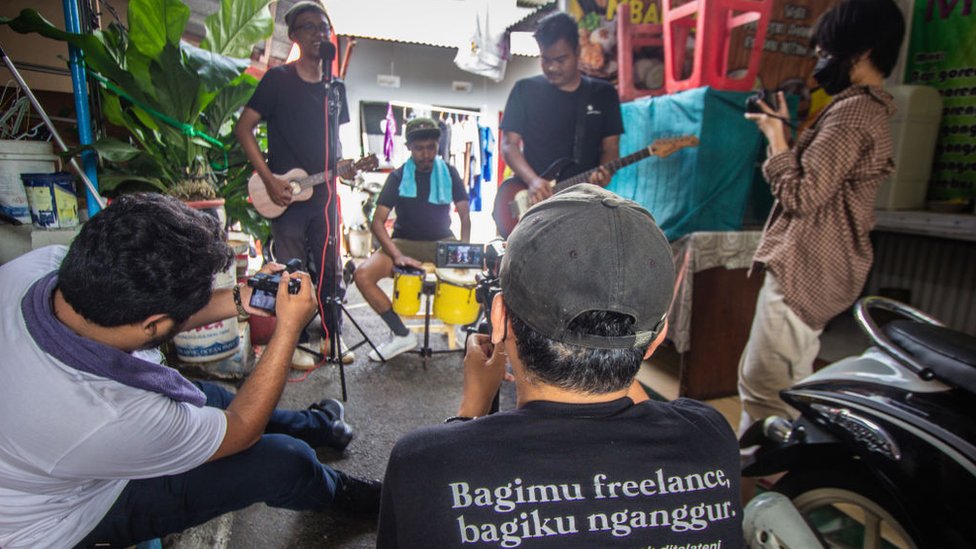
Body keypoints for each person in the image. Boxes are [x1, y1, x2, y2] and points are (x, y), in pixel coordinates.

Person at [0, 194, 380, 549]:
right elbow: (242, 430)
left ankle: (318, 426)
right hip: (69, 510)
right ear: (154, 324)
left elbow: (146, 312)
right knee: (283, 461)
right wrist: (288, 330)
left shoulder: (42, 266)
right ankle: (344, 493)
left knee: (212, 398)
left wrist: (240, 299)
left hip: (45, 445)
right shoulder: (107, 417)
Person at [377, 185, 743, 548]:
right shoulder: (711, 437)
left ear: (500, 319)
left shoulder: (422, 462)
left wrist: (469, 414)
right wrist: (616, 356)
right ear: (658, 339)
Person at [737, 0, 906, 435]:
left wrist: (776, 139)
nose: (819, 60)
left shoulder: (853, 112)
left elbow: (802, 194)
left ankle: (768, 493)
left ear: (863, 50)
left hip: (805, 269)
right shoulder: (861, 110)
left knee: (767, 393)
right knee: (771, 384)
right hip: (813, 268)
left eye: (827, 50)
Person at [234, 0, 353, 369]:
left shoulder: (336, 89)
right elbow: (244, 129)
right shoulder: (277, 81)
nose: (319, 32)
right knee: (291, 269)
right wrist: (269, 180)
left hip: (325, 194)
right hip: (284, 195)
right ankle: (295, 341)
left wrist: (343, 166)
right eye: (310, 26)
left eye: (323, 26)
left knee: (331, 266)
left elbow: (336, 142)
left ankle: (333, 335)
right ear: (294, 35)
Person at [354, 117, 471, 361]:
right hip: (403, 242)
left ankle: (462, 328)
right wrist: (397, 256)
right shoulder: (397, 177)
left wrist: (463, 253)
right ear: (409, 148)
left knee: (484, 274)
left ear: (438, 146)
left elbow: (465, 217)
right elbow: (377, 222)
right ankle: (401, 334)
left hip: (443, 240)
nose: (426, 154)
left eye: (431, 147)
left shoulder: (450, 173)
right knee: (362, 275)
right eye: (419, 148)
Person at [500, 11, 624, 206]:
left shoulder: (604, 94)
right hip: (534, 200)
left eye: (560, 60)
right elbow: (509, 145)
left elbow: (611, 147)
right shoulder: (524, 90)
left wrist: (604, 173)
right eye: (545, 59)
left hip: (584, 203)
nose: (552, 68)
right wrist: (533, 181)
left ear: (577, 51)